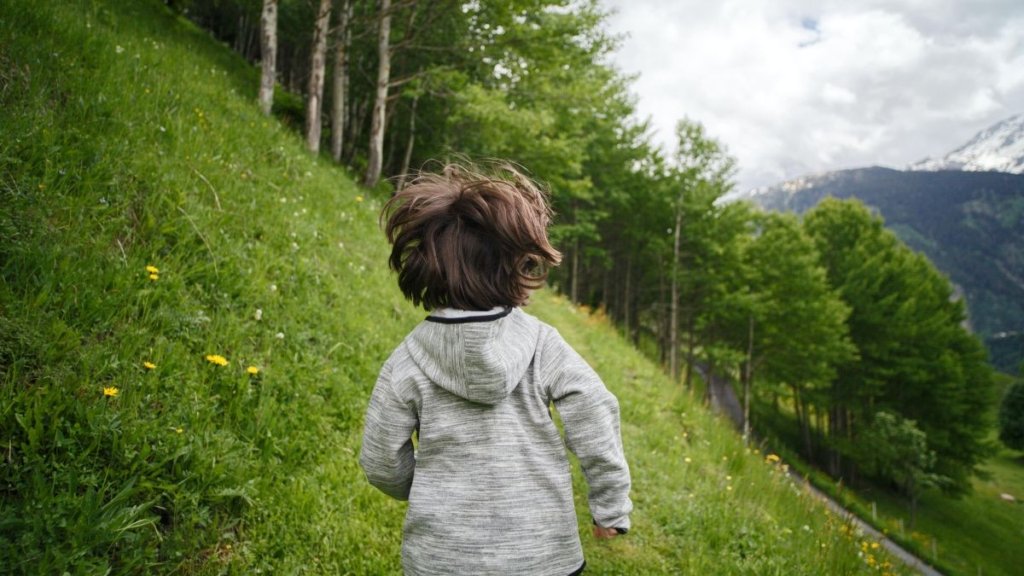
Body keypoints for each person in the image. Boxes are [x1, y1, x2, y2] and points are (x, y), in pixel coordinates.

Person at [359, 162, 632, 576]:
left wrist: (429, 489)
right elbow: (593, 408)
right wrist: (610, 506)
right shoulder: (542, 344)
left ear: (428, 264)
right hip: (543, 557)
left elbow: (380, 460)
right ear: (517, 265)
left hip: (441, 560)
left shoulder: (408, 359)